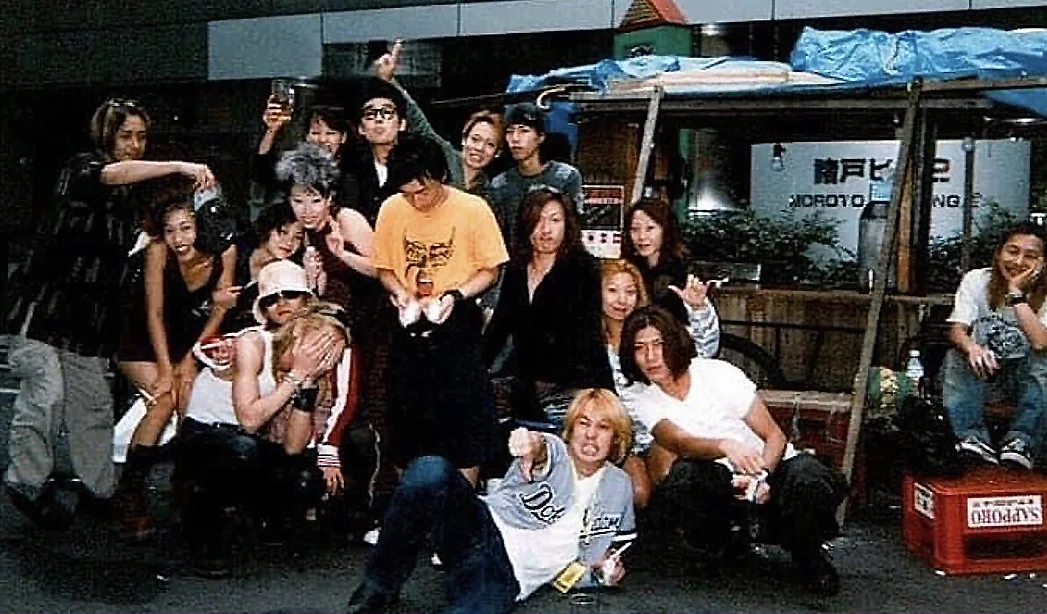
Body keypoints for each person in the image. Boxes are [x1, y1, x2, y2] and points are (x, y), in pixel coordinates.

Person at [2, 97, 215, 529]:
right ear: (106, 135)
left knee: (93, 406)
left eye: (141, 136)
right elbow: (110, 174)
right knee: (46, 393)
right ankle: (26, 484)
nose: (134, 145)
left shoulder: (135, 200)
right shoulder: (81, 169)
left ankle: (99, 490)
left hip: (90, 321)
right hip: (43, 309)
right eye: (125, 136)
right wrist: (178, 165)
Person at [344, 388, 636, 614]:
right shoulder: (557, 452)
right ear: (570, 429)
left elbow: (598, 555)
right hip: (480, 527)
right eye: (583, 423)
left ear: (616, 438)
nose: (590, 435)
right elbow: (541, 448)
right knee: (429, 470)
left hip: (508, 576)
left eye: (603, 427)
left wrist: (602, 574)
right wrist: (531, 444)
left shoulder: (619, 485)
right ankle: (380, 583)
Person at [620, 305, 847, 596]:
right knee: (683, 479)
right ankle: (723, 544)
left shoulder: (717, 374)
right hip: (718, 477)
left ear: (675, 342)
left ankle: (809, 555)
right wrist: (724, 446)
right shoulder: (642, 397)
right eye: (639, 348)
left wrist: (762, 477)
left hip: (768, 466)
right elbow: (679, 442)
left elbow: (774, 436)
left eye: (658, 344)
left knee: (809, 476)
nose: (651, 357)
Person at [372, 134, 509, 486]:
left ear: (441, 176)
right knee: (406, 426)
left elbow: (490, 270)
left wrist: (455, 295)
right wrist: (400, 293)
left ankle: (462, 504)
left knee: (464, 425)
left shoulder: (473, 209)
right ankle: (412, 501)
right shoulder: (391, 209)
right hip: (408, 322)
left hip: (456, 319)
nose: (416, 201)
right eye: (407, 194)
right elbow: (384, 268)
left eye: (423, 192)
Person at [115, 189, 237, 538]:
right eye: (170, 230)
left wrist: (188, 360)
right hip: (141, 339)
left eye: (186, 228)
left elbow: (219, 311)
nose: (178, 239)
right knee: (164, 399)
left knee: (189, 403)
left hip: (190, 340)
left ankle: (187, 495)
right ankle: (130, 495)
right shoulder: (158, 252)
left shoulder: (225, 250)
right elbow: (152, 313)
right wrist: (167, 370)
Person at [484, 187, 613, 426]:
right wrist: (474, 368)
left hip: (573, 385)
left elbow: (588, 337)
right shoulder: (517, 268)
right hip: (525, 385)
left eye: (555, 220)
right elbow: (500, 326)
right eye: (538, 220)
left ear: (568, 225)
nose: (546, 229)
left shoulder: (584, 269)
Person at [599, 258, 720, 507]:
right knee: (638, 492)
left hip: (664, 431)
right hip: (621, 440)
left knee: (671, 475)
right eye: (612, 290)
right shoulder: (590, 343)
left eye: (630, 291)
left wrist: (699, 310)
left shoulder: (654, 331)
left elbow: (702, 354)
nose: (622, 300)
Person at [943, 222, 1047, 469]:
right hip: (984, 376)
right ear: (999, 252)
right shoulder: (977, 280)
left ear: (1043, 263)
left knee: (1044, 359)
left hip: (1028, 383)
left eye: (1030, 256)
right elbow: (957, 330)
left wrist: (1016, 294)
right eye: (1012, 251)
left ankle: (1021, 442)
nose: (1018, 261)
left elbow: (1040, 342)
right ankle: (972, 439)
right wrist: (971, 347)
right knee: (957, 355)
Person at [374, 39, 504, 199]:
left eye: (490, 144)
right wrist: (389, 81)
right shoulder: (445, 156)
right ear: (464, 139)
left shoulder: (491, 192)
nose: (479, 148)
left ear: (497, 152)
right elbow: (418, 121)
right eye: (475, 139)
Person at [274, 143, 375, 312]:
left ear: (329, 198)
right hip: (321, 309)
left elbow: (381, 270)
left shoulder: (346, 219)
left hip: (366, 306)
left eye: (316, 201)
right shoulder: (294, 229)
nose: (307, 211)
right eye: (298, 201)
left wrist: (343, 254)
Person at [488, 102, 583, 249]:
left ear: (540, 137)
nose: (515, 138)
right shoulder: (500, 184)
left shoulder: (565, 177)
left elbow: (574, 228)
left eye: (524, 131)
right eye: (510, 132)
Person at [253, 101, 360, 211]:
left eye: (330, 133)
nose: (322, 139)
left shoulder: (356, 170)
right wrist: (272, 130)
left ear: (343, 137)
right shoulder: (295, 166)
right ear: (306, 136)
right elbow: (262, 173)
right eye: (315, 133)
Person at [221, 200, 305, 333]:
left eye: (298, 237)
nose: (289, 242)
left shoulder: (290, 271)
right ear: (267, 229)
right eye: (283, 232)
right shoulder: (235, 251)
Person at [349, 78, 409, 227]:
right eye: (370, 114)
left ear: (402, 124)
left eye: (387, 113)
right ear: (361, 128)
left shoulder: (417, 168)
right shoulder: (350, 169)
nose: (379, 119)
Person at [621, 198, 692, 323]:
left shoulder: (683, 271)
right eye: (635, 229)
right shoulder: (627, 268)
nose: (642, 236)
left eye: (650, 228)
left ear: (666, 230)